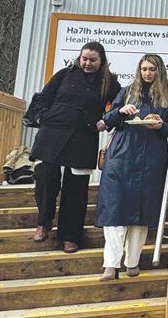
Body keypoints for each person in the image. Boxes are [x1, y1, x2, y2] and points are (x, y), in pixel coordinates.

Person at [95, 54, 168, 280]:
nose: (147, 73)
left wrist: (160, 125)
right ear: (139, 70)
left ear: (159, 70)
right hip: (121, 156)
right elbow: (107, 120)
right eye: (144, 69)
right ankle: (110, 265)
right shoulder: (126, 92)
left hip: (151, 158)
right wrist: (119, 112)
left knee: (142, 211)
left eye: (152, 69)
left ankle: (132, 262)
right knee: (114, 209)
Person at [30, 42, 118, 253]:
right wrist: (43, 116)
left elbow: (119, 105)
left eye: (93, 60)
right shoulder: (64, 74)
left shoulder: (109, 82)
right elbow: (43, 98)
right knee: (45, 176)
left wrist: (105, 121)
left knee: (76, 188)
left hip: (83, 137)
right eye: (84, 59)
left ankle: (70, 236)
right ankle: (44, 221)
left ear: (101, 61)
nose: (87, 63)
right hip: (52, 132)